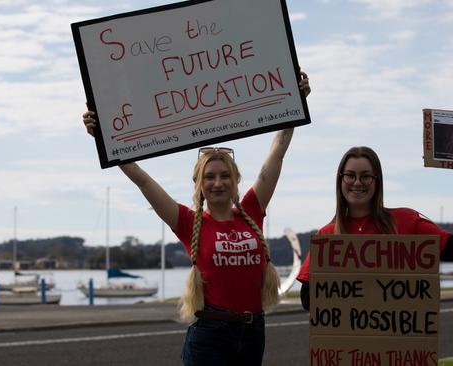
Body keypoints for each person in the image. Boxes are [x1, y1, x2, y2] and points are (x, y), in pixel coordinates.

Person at [83, 71, 310, 365]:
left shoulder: (252, 209)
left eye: (225, 175)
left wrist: (296, 100)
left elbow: (277, 153)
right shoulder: (188, 222)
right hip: (210, 336)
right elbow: (142, 180)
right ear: (199, 184)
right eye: (210, 177)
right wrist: (105, 138)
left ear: (236, 180)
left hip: (253, 330)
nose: (218, 183)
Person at [296, 146, 453, 310]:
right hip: (349, 351)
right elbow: (308, 300)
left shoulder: (405, 220)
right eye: (350, 176)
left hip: (396, 351)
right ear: (340, 180)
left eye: (365, 176)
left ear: (377, 181)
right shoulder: (326, 235)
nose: (357, 183)